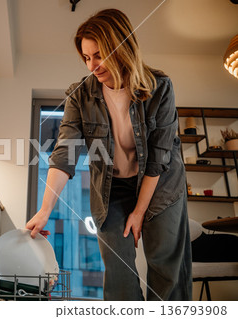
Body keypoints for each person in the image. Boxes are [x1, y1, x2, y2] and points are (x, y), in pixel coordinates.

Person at [26, 8, 192, 301]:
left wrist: (139, 213)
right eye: (87, 57)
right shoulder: (80, 95)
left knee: (165, 267)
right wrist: (45, 210)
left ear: (122, 47)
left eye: (99, 55)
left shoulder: (159, 88)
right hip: (112, 187)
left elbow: (158, 159)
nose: (92, 66)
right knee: (117, 268)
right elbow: (65, 152)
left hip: (161, 185)